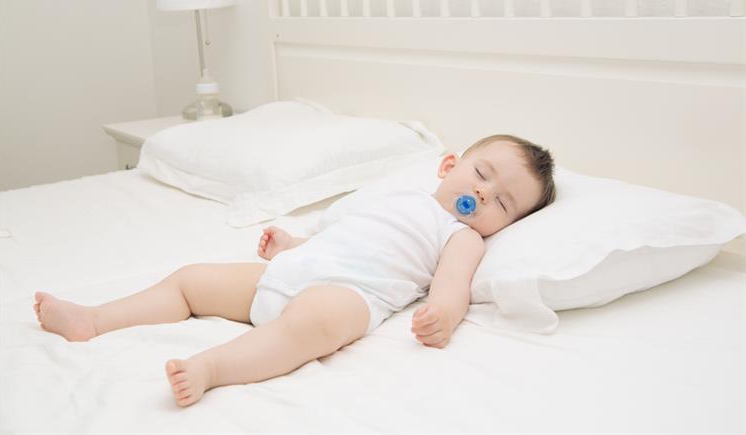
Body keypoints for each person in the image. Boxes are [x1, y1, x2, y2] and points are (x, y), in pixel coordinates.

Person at [34, 134, 555, 407]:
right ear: (448, 166)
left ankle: (213, 368)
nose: (483, 192)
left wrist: (442, 315)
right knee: (191, 280)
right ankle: (94, 320)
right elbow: (342, 235)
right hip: (296, 269)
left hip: (349, 295)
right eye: (482, 173)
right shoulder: (396, 196)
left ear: (503, 225)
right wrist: (291, 245)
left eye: (501, 202)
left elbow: (452, 287)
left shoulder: (462, 237)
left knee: (312, 324)